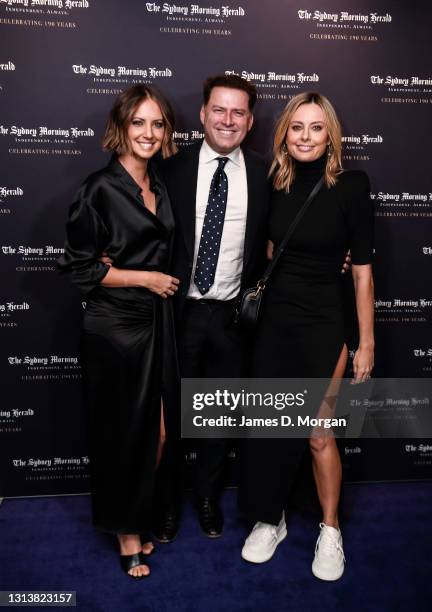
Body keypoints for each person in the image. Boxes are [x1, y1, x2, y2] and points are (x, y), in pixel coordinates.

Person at [239, 92, 375, 581]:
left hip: (325, 323)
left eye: (316, 128)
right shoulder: (274, 182)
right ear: (284, 134)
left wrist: (367, 343)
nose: (305, 136)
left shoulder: (353, 187)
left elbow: (361, 273)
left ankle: (330, 529)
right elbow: (271, 249)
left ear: (330, 135)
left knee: (318, 431)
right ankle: (270, 518)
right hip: (276, 320)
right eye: (297, 127)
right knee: (272, 425)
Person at [58, 85, 179, 579]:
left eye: (157, 124)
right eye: (139, 123)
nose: (148, 133)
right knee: (122, 433)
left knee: (161, 431)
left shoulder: (160, 184)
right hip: (114, 326)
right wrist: (143, 277)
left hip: (159, 322)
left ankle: (134, 513)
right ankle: (128, 532)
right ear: (121, 128)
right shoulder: (98, 188)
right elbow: (78, 267)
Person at [153, 74, 270, 541]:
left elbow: (285, 236)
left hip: (231, 317)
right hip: (176, 311)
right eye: (219, 110)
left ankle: (206, 497)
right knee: (170, 415)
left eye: (238, 112)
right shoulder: (169, 168)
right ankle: (165, 502)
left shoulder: (266, 173)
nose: (227, 120)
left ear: (250, 121)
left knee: (219, 420)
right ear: (202, 114)